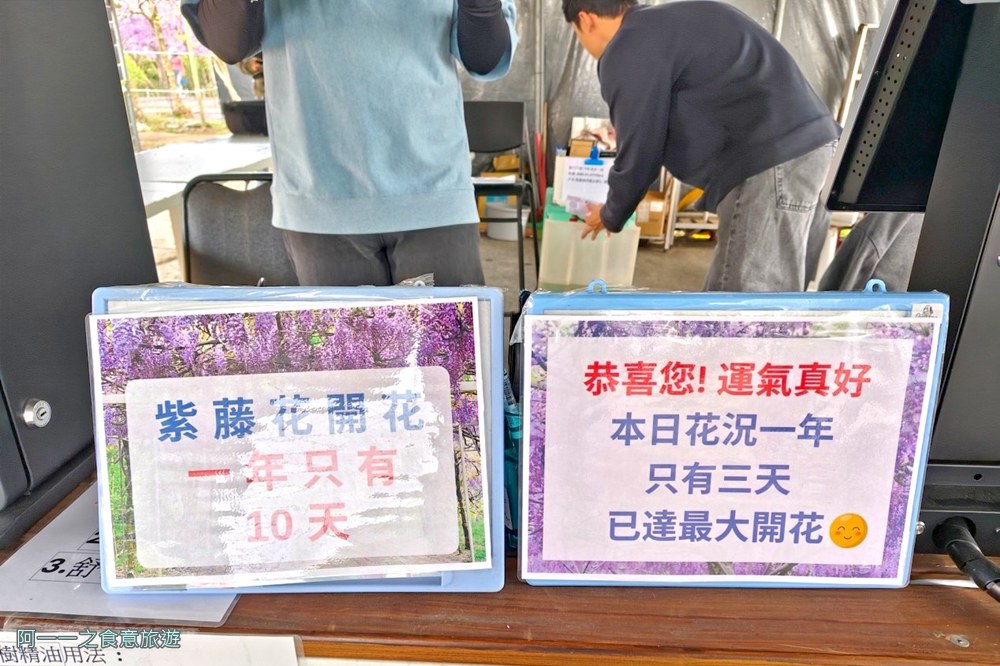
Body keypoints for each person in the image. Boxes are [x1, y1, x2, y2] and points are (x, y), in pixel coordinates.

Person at [182, 1, 517, 287]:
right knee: (349, 363)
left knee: (452, 359)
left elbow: (485, 55)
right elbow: (228, 39)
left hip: (433, 191)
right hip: (320, 199)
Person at [563, 1, 841, 292]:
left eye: (576, 33)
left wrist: (611, 213)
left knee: (747, 310)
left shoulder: (628, 45)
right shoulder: (669, 22)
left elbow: (639, 150)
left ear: (586, 19)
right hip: (817, 149)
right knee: (770, 300)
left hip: (772, 162)